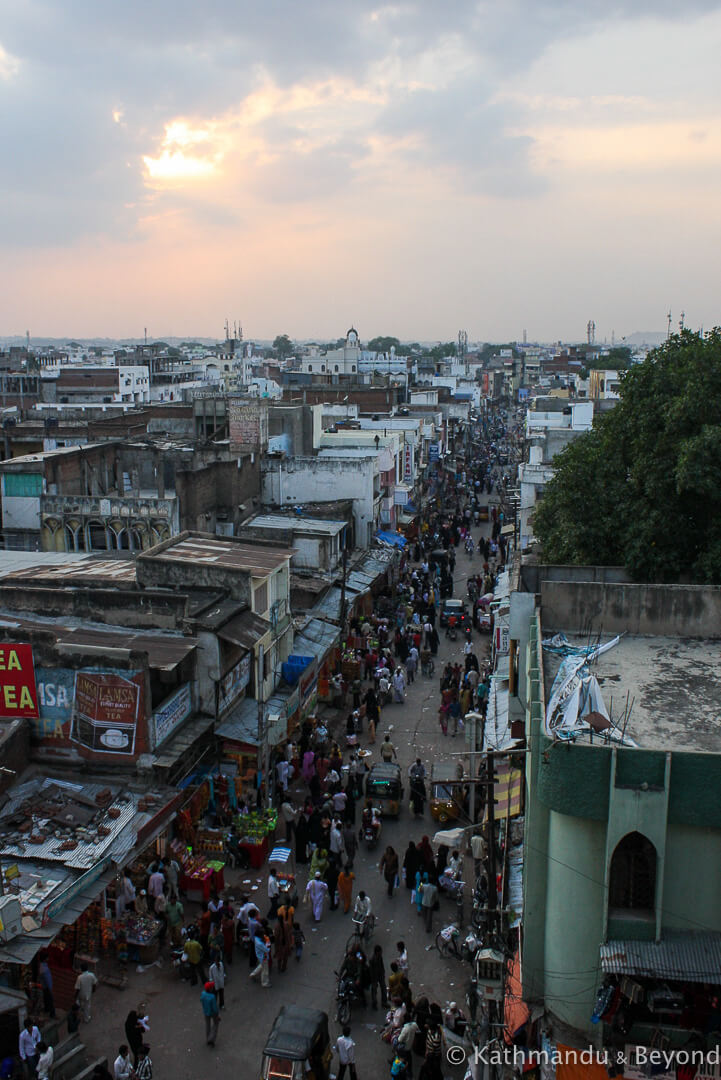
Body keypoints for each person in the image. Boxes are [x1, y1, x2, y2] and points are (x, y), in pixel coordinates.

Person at [201, 981, 221, 1045]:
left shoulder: (203, 994)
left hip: (206, 1012)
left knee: (207, 1025)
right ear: (210, 989)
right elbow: (215, 1008)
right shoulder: (212, 997)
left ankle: (207, 1038)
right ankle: (211, 1038)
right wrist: (217, 1015)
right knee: (216, 1024)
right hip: (213, 1013)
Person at [369, 944, 387, 1010]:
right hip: (374, 977)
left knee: (383, 988)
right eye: (380, 951)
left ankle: (384, 1002)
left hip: (380, 975)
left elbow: (382, 965)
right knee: (374, 990)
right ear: (377, 952)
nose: (381, 952)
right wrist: (373, 979)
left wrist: (383, 972)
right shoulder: (372, 960)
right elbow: (371, 970)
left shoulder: (380, 957)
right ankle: (374, 1003)